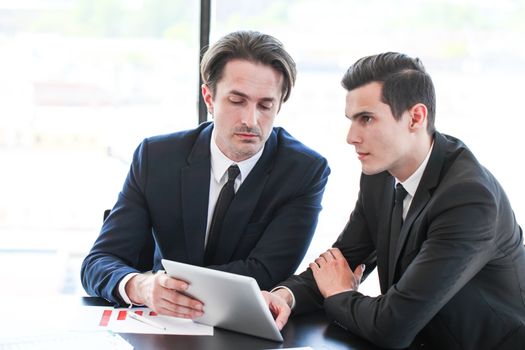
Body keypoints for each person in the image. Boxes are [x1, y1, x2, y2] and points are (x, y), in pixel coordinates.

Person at [264, 52, 525, 349]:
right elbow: (339, 263)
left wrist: (339, 296)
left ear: (415, 117)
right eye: (351, 120)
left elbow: (392, 327)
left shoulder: (469, 199)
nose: (351, 136)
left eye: (367, 119)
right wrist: (283, 296)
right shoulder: (380, 173)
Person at [81, 30, 330, 318]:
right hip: (162, 329)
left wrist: (172, 286)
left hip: (246, 328)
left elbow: (266, 272)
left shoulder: (303, 170)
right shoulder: (156, 157)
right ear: (209, 98)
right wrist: (143, 286)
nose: (251, 120)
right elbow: (99, 262)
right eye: (237, 101)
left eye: (265, 105)